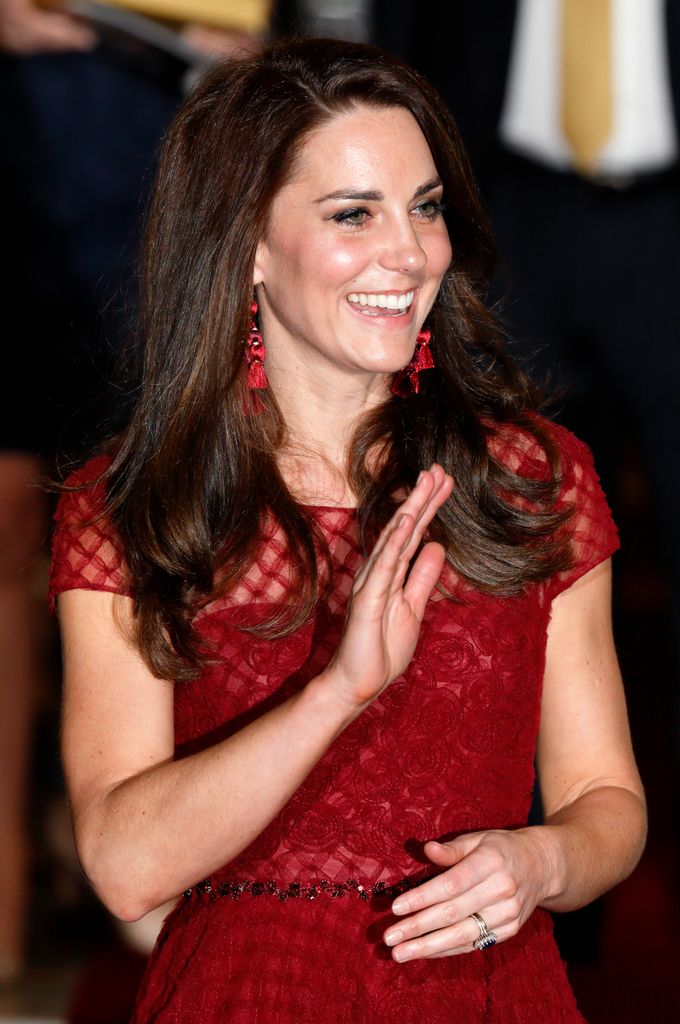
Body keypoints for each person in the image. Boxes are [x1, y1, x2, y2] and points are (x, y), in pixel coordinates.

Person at [49, 38, 646, 1023]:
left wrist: (540, 859)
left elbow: (605, 802)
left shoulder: (532, 477)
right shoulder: (130, 504)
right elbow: (124, 866)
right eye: (351, 214)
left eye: (423, 207)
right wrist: (337, 691)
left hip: (490, 995)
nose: (406, 253)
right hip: (246, 997)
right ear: (245, 240)